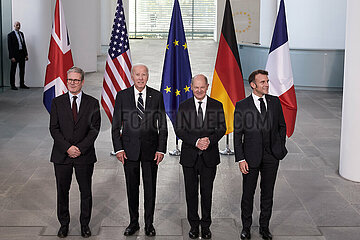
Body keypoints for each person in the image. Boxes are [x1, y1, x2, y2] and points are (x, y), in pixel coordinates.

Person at [112, 64, 168, 237]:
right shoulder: (122, 96)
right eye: (137, 74)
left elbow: (163, 126)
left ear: (148, 76)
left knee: (150, 189)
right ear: (132, 76)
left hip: (151, 152)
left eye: (144, 74)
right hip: (129, 151)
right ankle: (133, 222)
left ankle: (149, 224)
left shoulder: (157, 96)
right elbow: (115, 126)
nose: (140, 78)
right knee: (132, 188)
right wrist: (118, 149)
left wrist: (161, 149)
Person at [234, 69, 287, 240]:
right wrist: (241, 158)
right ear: (253, 85)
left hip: (271, 157)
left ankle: (264, 227)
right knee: (248, 194)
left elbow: (282, 126)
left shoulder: (275, 102)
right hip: (250, 158)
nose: (266, 84)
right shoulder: (242, 105)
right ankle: (246, 228)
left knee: (267, 193)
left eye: (267, 81)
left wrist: (279, 146)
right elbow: (238, 134)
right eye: (262, 82)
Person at [49, 67, 101, 238]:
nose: (72, 83)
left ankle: (85, 225)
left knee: (85, 192)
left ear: (82, 82)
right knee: (62, 192)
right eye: (70, 80)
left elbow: (94, 129)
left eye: (76, 80)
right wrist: (67, 148)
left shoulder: (92, 103)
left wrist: (80, 148)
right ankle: (64, 224)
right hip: (61, 155)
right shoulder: (57, 102)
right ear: (67, 81)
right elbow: (54, 129)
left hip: (84, 155)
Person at [175, 74, 226, 239]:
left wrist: (209, 141)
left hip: (209, 157)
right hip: (189, 157)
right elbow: (179, 129)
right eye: (195, 87)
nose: (198, 90)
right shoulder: (184, 106)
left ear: (207, 86)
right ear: (191, 87)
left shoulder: (216, 105)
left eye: (202, 87)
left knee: (207, 192)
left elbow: (221, 128)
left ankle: (206, 226)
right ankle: (193, 225)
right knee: (191, 193)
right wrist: (196, 141)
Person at [7, 21, 29, 90]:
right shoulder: (10, 35)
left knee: (22, 70)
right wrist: (11, 56)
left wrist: (26, 54)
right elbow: (9, 47)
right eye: (17, 25)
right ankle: (12, 85)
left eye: (19, 25)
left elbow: (24, 44)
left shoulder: (21, 34)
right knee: (13, 70)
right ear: (14, 26)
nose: (18, 26)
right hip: (15, 55)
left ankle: (22, 84)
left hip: (22, 54)